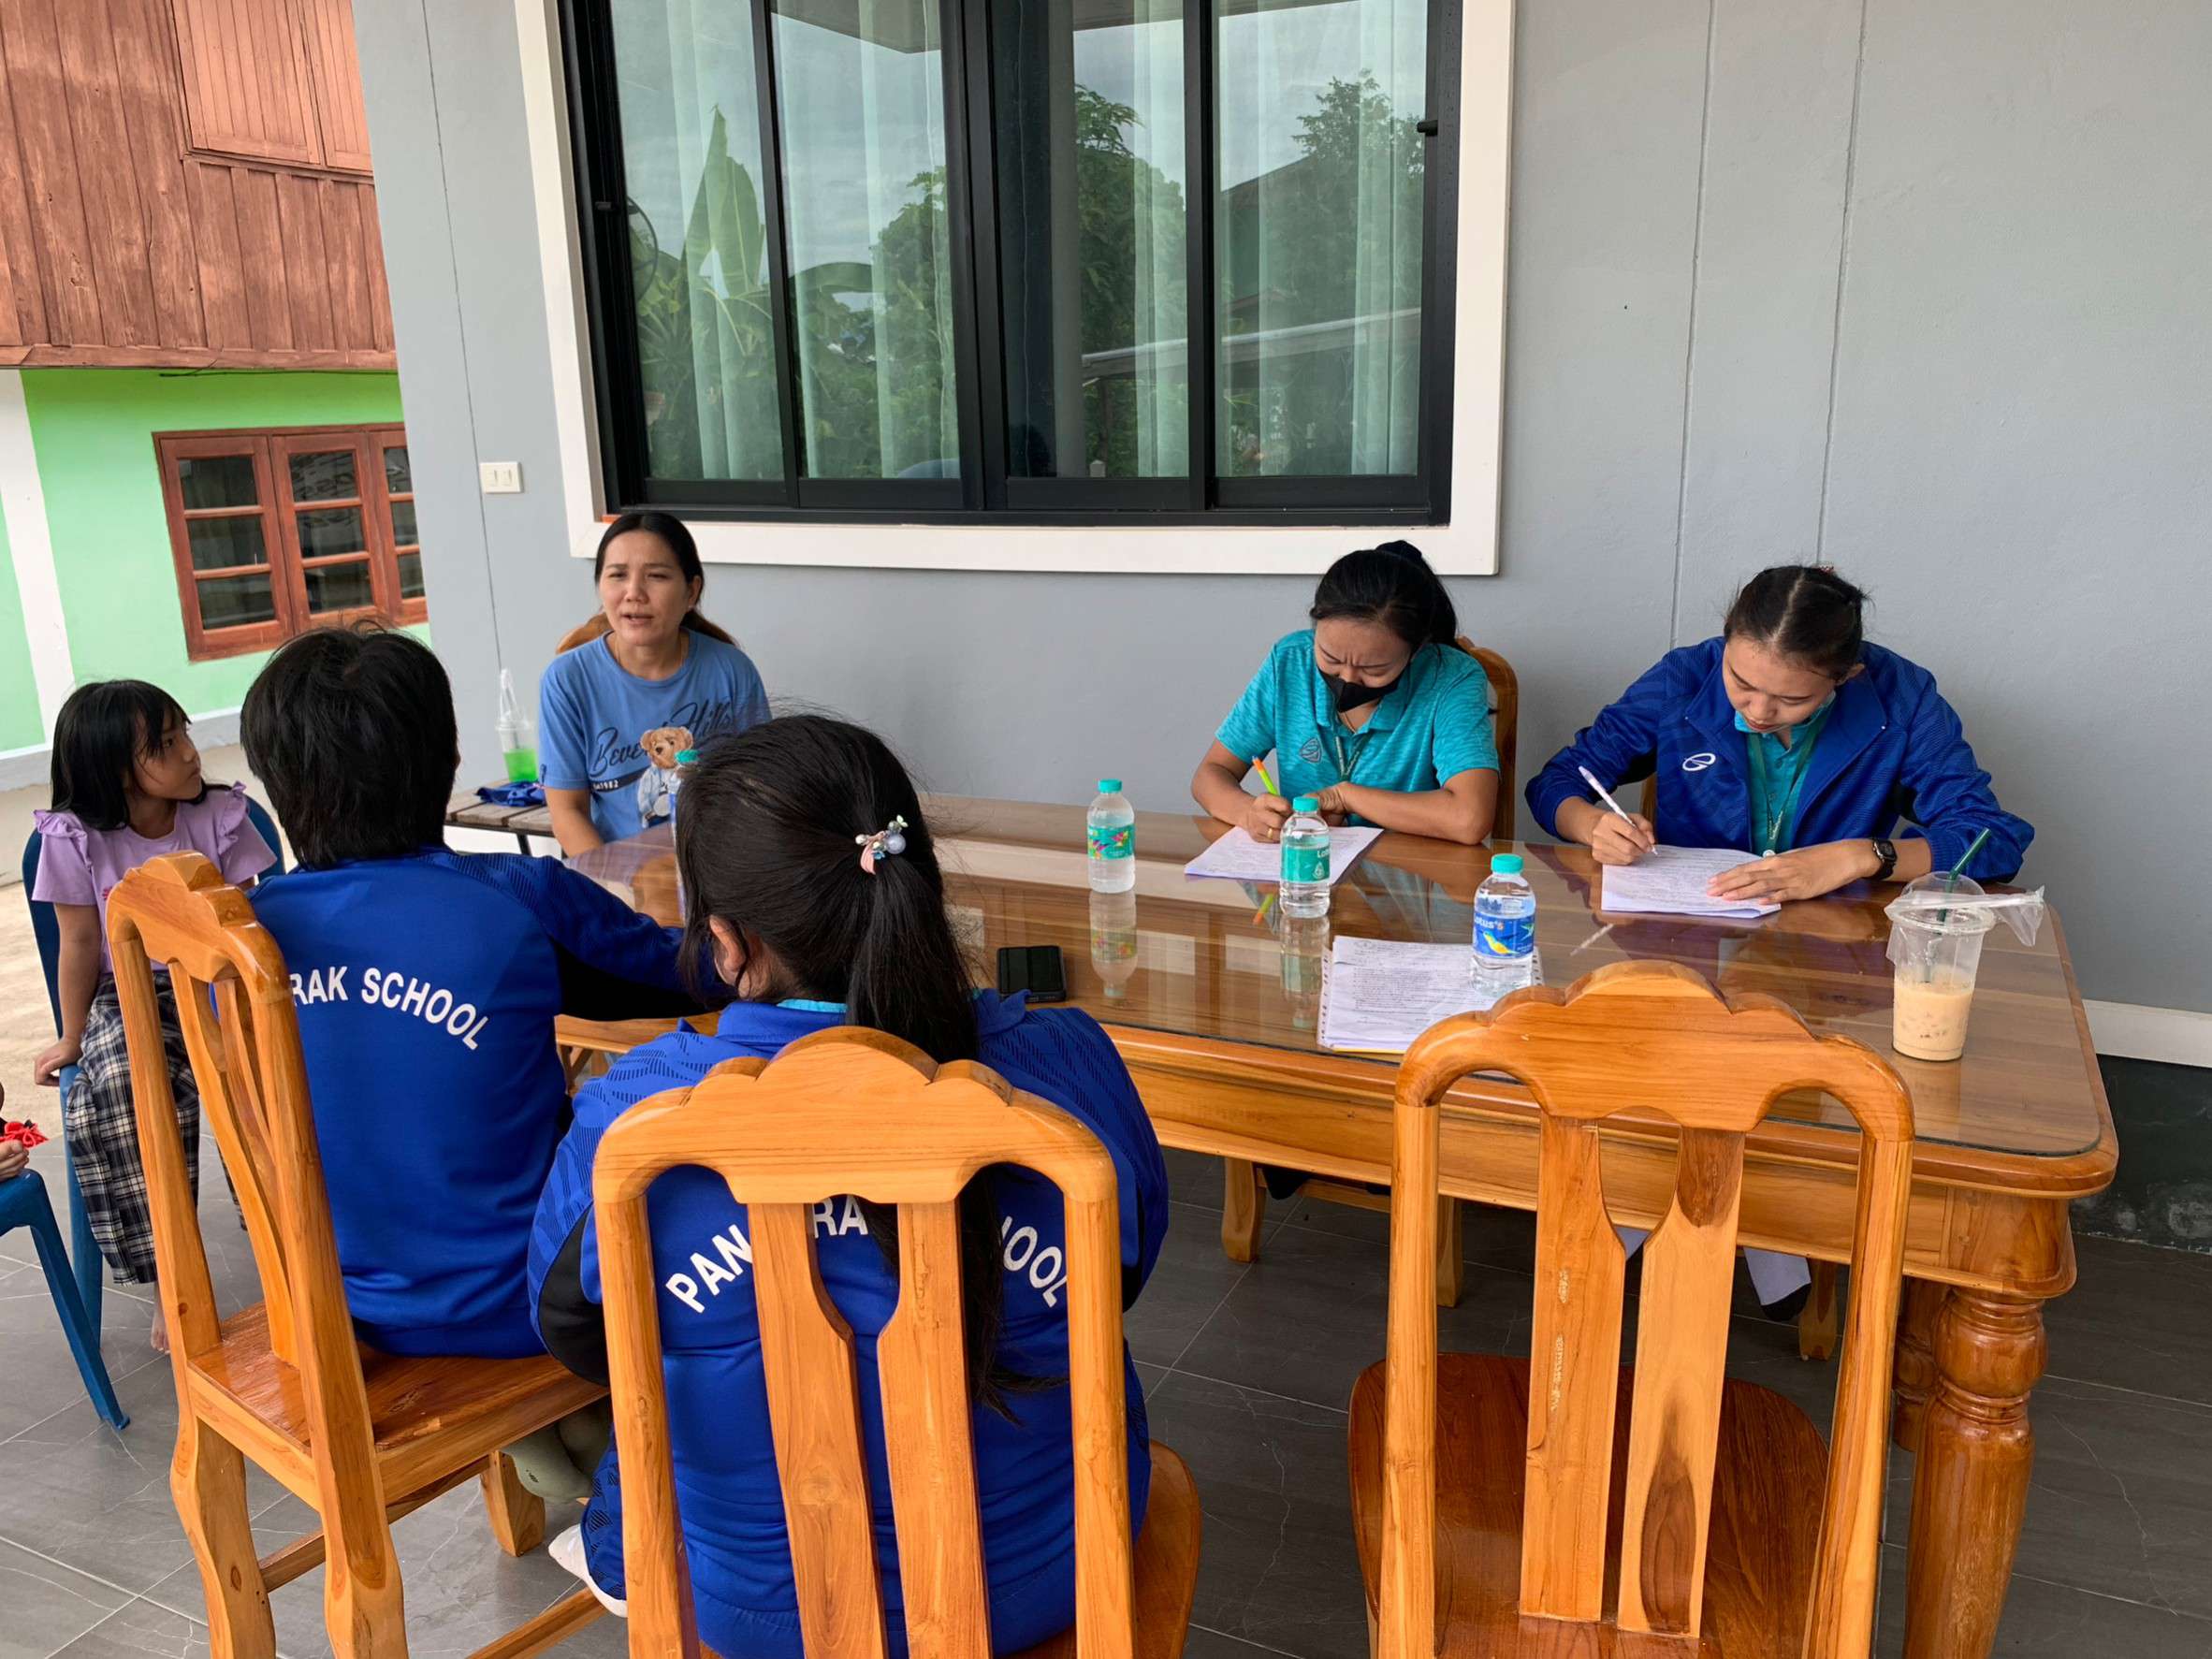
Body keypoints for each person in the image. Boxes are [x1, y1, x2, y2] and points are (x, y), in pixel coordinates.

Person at [529, 716, 1170, 1658]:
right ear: (918, 885)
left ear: (725, 941)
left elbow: (576, 1331)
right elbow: (1121, 1278)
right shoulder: (1066, 1065)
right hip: (1047, 1580)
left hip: (757, 1618)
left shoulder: (638, 1115)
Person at [240, 626, 700, 1365]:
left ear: (274, 778)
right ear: (448, 761)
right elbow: (693, 974)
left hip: (328, 1310)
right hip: (525, 1308)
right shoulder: (518, 899)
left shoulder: (242, 939)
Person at [1529, 564, 2033, 901]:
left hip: (1837, 940)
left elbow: (1992, 839)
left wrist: (1862, 856)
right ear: (1727, 640)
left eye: (1792, 700)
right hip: (1692, 928)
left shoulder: (1902, 697)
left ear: (1846, 676)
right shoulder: (1683, 678)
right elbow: (1557, 783)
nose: (1758, 712)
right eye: (1740, 682)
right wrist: (1591, 825)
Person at [31, 682, 277, 1335]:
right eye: (166, 744)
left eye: (184, 733)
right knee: (123, 1086)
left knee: (257, 1072)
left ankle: (286, 1244)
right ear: (117, 770)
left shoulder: (220, 814)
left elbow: (251, 919)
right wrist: (72, 1035)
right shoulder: (76, 838)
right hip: (131, 991)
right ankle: (175, 1274)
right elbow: (79, 942)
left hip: (220, 980)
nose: (191, 753)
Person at [1191, 541, 1499, 846]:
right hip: (1307, 866)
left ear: (1416, 650)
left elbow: (1469, 818)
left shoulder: (1451, 678)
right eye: (1331, 658)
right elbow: (1210, 774)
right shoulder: (1291, 662)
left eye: (1374, 669)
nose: (1348, 679)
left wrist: (1345, 797)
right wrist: (1249, 813)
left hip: (1412, 869)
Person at [540, 512, 770, 855]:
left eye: (657, 576)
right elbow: (567, 811)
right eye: (618, 575)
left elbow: (758, 791)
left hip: (716, 868)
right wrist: (615, 882)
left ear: (691, 591)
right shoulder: (567, 680)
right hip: (613, 872)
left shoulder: (732, 670)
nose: (634, 593)